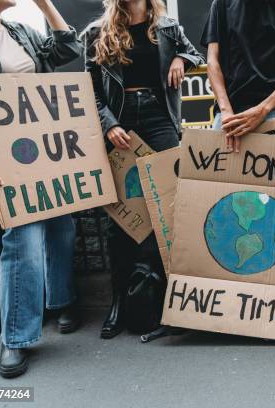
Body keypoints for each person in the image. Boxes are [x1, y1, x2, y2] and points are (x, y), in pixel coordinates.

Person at [0, 0, 81, 378]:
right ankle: (16, 336)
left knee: (62, 222)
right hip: (2, 157)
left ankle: (60, 301)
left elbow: (68, 49)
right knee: (22, 239)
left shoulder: (21, 31)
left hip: (45, 150)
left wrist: (45, 4)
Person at [82, 0, 204, 339]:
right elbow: (88, 91)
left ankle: (170, 299)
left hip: (160, 118)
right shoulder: (96, 33)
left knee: (169, 207)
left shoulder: (167, 28)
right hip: (120, 123)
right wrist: (107, 124)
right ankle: (119, 301)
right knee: (120, 214)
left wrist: (182, 58)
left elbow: (199, 56)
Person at [201, 0, 275, 151]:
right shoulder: (221, 4)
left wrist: (263, 109)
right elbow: (212, 62)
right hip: (230, 111)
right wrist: (225, 110)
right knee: (208, 172)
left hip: (274, 108)